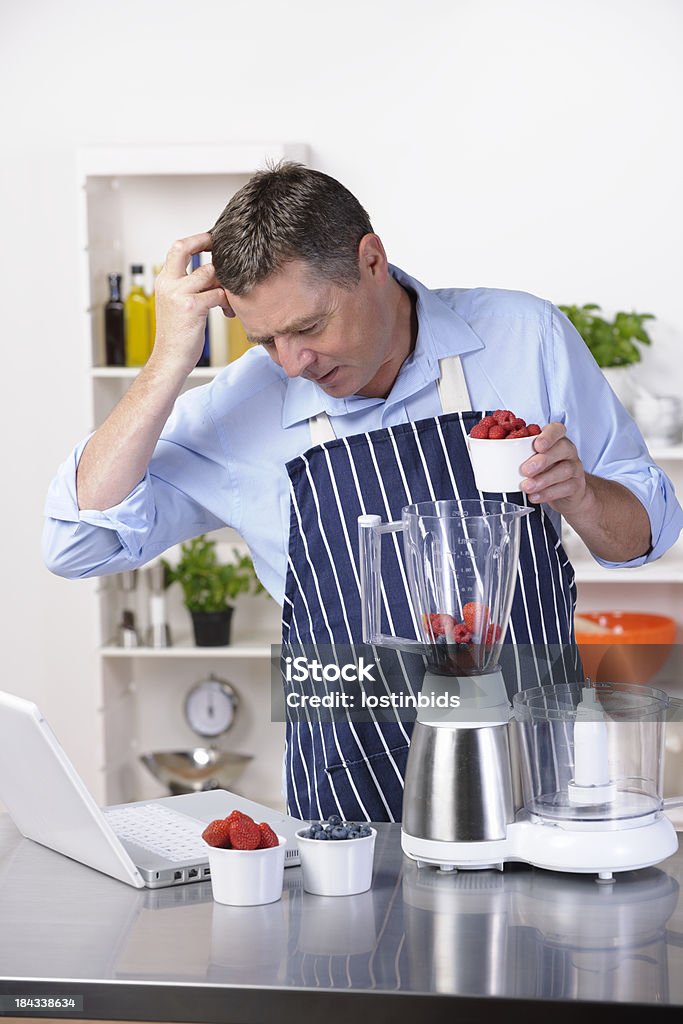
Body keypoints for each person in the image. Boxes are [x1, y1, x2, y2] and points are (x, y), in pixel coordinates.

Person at [44, 162, 683, 822]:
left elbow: (645, 535)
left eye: (309, 327)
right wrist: (167, 363)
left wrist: (579, 495)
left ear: (371, 260)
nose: (294, 363)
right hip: (350, 810)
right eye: (266, 340)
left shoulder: (525, 339)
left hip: (536, 775)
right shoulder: (240, 410)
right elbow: (76, 542)